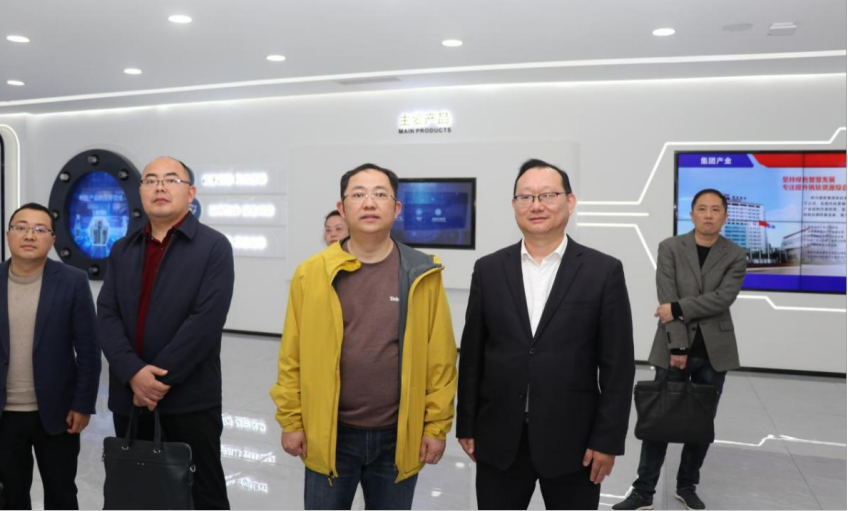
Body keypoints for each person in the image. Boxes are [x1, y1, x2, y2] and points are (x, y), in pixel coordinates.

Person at [270, 163, 458, 511]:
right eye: (358, 194)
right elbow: (292, 356)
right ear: (342, 208)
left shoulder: (421, 272)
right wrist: (292, 421)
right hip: (330, 434)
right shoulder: (311, 274)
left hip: (398, 436)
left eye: (380, 194)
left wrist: (435, 427)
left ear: (396, 208)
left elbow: (441, 359)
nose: (369, 203)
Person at [457, 159, 636, 510]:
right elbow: (473, 355)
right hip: (499, 438)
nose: (536, 205)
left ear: (570, 202)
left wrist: (608, 440)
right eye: (525, 197)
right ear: (514, 205)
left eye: (548, 195)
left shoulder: (603, 271)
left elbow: (618, 366)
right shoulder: (489, 269)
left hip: (575, 442)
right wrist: (467, 424)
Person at [98, 157, 235, 510]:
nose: (160, 186)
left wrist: (154, 381)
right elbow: (107, 315)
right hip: (130, 398)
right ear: (140, 191)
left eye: (171, 179)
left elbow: (205, 322)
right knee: (137, 494)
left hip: (189, 400)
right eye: (151, 180)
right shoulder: (123, 249)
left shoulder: (213, 247)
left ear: (190, 193)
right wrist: (133, 373)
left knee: (201, 494)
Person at [613, 189, 747, 511]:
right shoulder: (670, 247)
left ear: (725, 216)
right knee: (658, 421)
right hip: (672, 347)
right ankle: (643, 491)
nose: (708, 215)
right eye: (702, 208)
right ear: (692, 214)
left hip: (714, 353)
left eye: (715, 209)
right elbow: (666, 295)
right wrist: (679, 345)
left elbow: (723, 299)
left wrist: (677, 308)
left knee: (700, 425)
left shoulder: (735, 254)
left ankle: (687, 486)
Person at [0, 203, 101, 510]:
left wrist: (83, 404)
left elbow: (88, 349)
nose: (29, 235)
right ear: (8, 235)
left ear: (52, 239)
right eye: (21, 227)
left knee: (61, 494)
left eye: (39, 229)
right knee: (10, 496)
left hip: (58, 413)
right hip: (5, 414)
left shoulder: (72, 281)